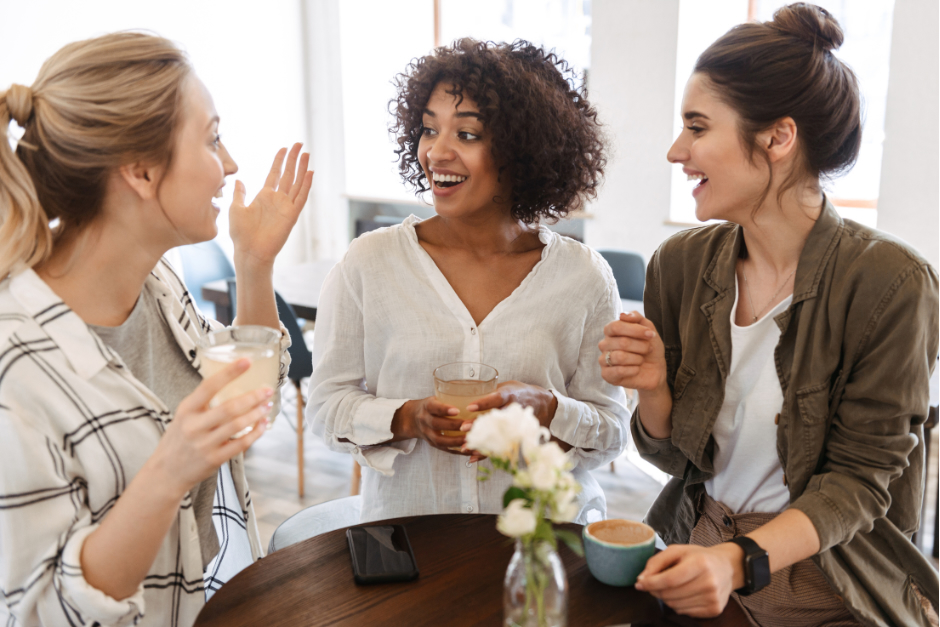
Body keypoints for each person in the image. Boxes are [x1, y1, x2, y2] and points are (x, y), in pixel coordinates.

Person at [599, 4, 939, 626]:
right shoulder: (678, 264)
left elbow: (860, 484)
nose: (677, 150)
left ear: (778, 138)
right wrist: (651, 387)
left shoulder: (892, 284)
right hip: (701, 546)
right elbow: (675, 459)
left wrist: (738, 560)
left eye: (698, 127)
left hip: (828, 576)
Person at [0, 33, 312, 626]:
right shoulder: (15, 365)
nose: (231, 164)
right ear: (141, 171)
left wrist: (255, 264)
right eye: (212, 138)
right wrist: (170, 469)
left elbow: (249, 408)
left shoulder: (157, 287)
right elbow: (40, 614)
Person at [310, 39, 627, 523]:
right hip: (413, 544)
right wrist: (406, 418)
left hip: (544, 548)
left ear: (522, 149)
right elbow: (326, 407)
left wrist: (548, 409)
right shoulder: (371, 262)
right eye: (429, 129)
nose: (437, 152)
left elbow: (611, 432)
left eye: (468, 135)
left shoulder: (582, 277)